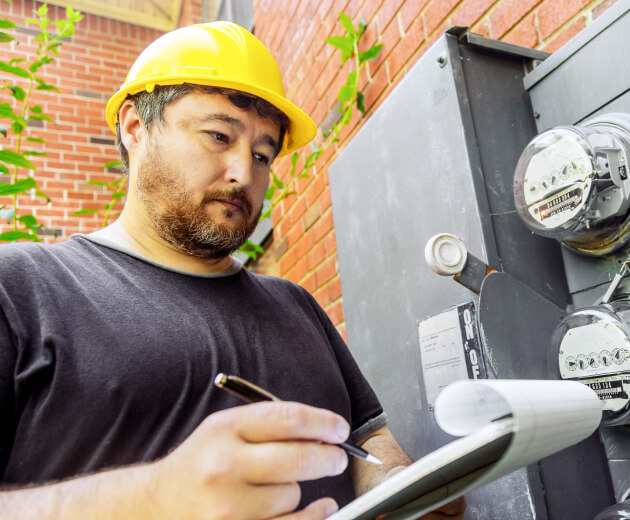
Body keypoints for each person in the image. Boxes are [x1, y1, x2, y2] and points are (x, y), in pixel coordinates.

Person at [0, 21, 465, 520]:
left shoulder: (296, 304)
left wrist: (391, 485)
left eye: (263, 155)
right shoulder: (21, 288)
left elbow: (364, 436)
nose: (245, 174)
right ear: (136, 128)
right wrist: (152, 499)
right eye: (218, 136)